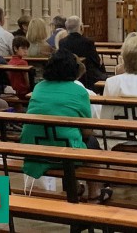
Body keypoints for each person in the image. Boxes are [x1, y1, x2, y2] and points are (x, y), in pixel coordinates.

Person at [20, 49, 110, 202]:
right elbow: (87, 131)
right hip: (64, 151)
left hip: (34, 148)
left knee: (63, 135)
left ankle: (73, 187)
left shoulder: (39, 87)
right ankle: (94, 193)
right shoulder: (79, 91)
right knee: (91, 142)